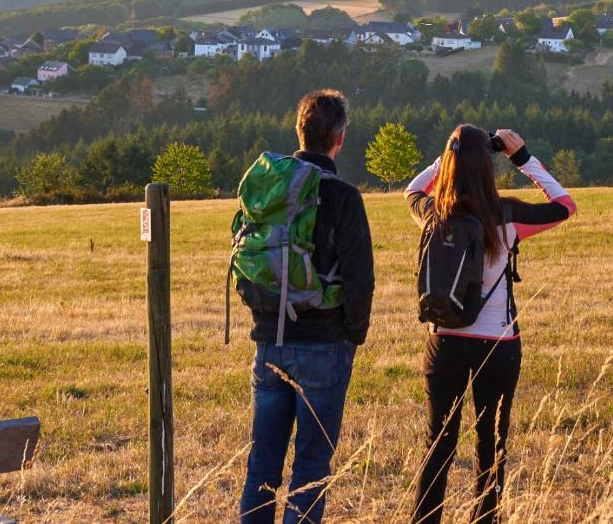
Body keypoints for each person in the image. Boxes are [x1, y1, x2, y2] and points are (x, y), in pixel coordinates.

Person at [406, 125, 575, 524]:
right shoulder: (508, 214)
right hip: (497, 344)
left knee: (438, 444)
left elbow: (413, 190)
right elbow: (565, 205)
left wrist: (448, 155)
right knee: (491, 444)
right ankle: (486, 518)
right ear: (488, 167)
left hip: (443, 342)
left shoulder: (434, 213)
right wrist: (522, 158)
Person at [237, 90, 376, 524]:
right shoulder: (344, 196)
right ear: (339, 137)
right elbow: (360, 280)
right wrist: (353, 335)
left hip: (269, 341)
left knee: (261, 467)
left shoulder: (268, 188)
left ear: (300, 130)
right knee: (311, 471)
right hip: (324, 343)